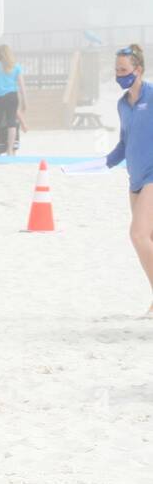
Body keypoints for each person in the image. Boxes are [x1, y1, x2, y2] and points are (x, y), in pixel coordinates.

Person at [105, 44, 153, 313]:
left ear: (139, 70)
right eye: (116, 70)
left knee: (138, 234)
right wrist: (103, 162)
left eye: (123, 70)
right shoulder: (123, 105)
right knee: (150, 240)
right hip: (134, 179)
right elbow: (124, 144)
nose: (119, 74)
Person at [0, 44, 25, 156]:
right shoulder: (16, 66)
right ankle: (10, 149)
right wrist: (24, 100)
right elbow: (21, 86)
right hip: (12, 96)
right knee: (11, 122)